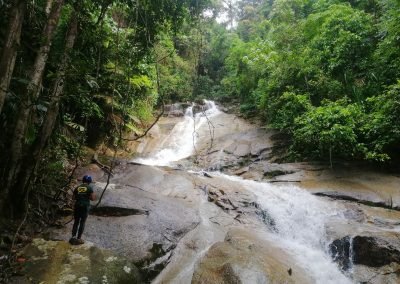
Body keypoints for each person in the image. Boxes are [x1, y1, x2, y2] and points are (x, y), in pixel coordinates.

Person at [70, 175, 95, 245]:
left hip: (77, 206)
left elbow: (73, 198)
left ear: (83, 180)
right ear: (89, 181)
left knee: (76, 222)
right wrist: (87, 197)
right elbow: (93, 198)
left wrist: (80, 196)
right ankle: (79, 238)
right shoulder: (89, 188)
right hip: (85, 206)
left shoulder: (77, 188)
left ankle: (73, 237)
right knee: (82, 222)